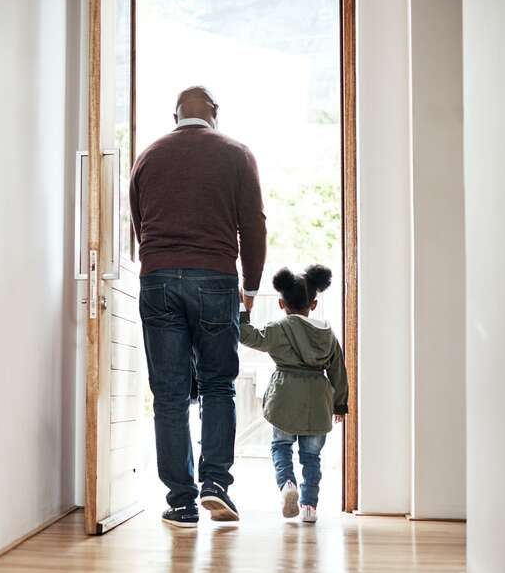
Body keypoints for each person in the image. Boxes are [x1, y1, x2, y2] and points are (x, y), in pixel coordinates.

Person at [130, 86, 266, 528]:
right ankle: (216, 485)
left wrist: (158, 265)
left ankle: (181, 501)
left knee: (168, 395)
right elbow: (254, 226)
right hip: (216, 280)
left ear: (175, 116)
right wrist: (250, 285)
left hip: (158, 280)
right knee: (218, 386)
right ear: (214, 114)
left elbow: (139, 224)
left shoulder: (147, 158)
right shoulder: (236, 154)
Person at [238, 265, 348, 523]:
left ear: (280, 303)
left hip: (285, 395)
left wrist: (244, 310)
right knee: (311, 457)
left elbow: (248, 336)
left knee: (281, 445)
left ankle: (288, 484)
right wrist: (340, 405)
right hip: (317, 400)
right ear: (313, 303)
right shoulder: (327, 335)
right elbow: (338, 370)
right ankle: (309, 507)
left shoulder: (279, 328)